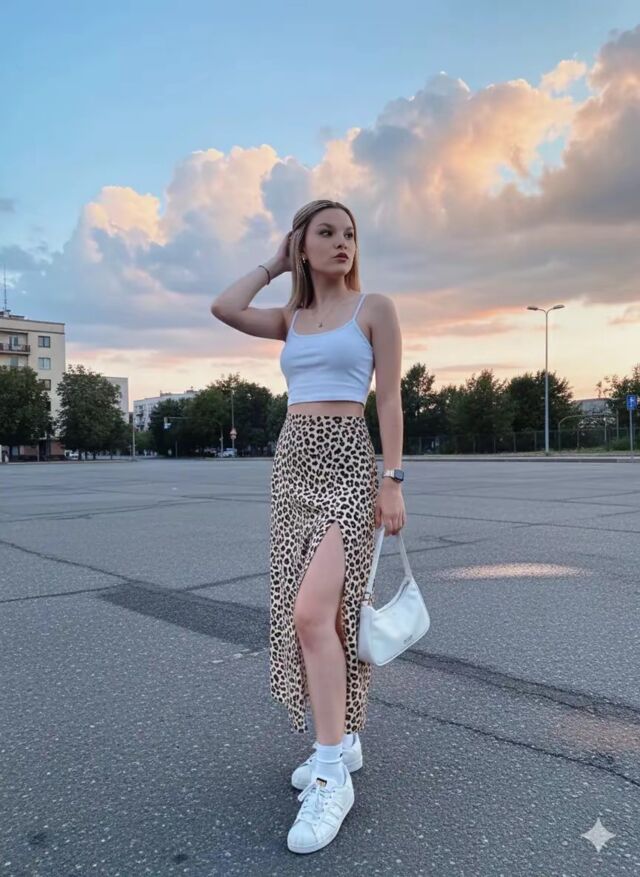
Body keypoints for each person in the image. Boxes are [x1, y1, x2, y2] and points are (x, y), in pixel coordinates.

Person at [210, 198, 405, 854]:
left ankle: (329, 776)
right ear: (303, 244)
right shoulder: (290, 319)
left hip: (348, 464)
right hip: (293, 467)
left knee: (313, 614)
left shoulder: (374, 308)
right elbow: (224, 306)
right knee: (329, 621)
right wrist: (274, 261)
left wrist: (393, 478)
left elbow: (389, 397)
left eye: (349, 233)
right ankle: (342, 740)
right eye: (326, 232)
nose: (342, 242)